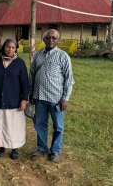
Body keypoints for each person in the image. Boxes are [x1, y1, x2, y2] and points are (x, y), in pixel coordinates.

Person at [30, 29, 74, 163]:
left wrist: (65, 98)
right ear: (44, 39)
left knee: (58, 127)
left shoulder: (63, 56)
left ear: (58, 40)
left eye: (54, 38)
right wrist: (30, 93)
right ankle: (42, 148)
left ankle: (55, 151)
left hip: (56, 99)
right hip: (40, 97)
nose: (51, 40)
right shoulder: (37, 55)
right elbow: (31, 75)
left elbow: (69, 79)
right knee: (40, 124)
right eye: (48, 38)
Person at [0, 39, 30, 160]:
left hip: (14, 102)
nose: (10, 50)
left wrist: (24, 99)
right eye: (8, 47)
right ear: (4, 48)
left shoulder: (20, 63)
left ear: (15, 49)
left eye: (13, 48)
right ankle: (1, 147)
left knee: (13, 127)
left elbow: (25, 83)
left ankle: (14, 149)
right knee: (0, 125)